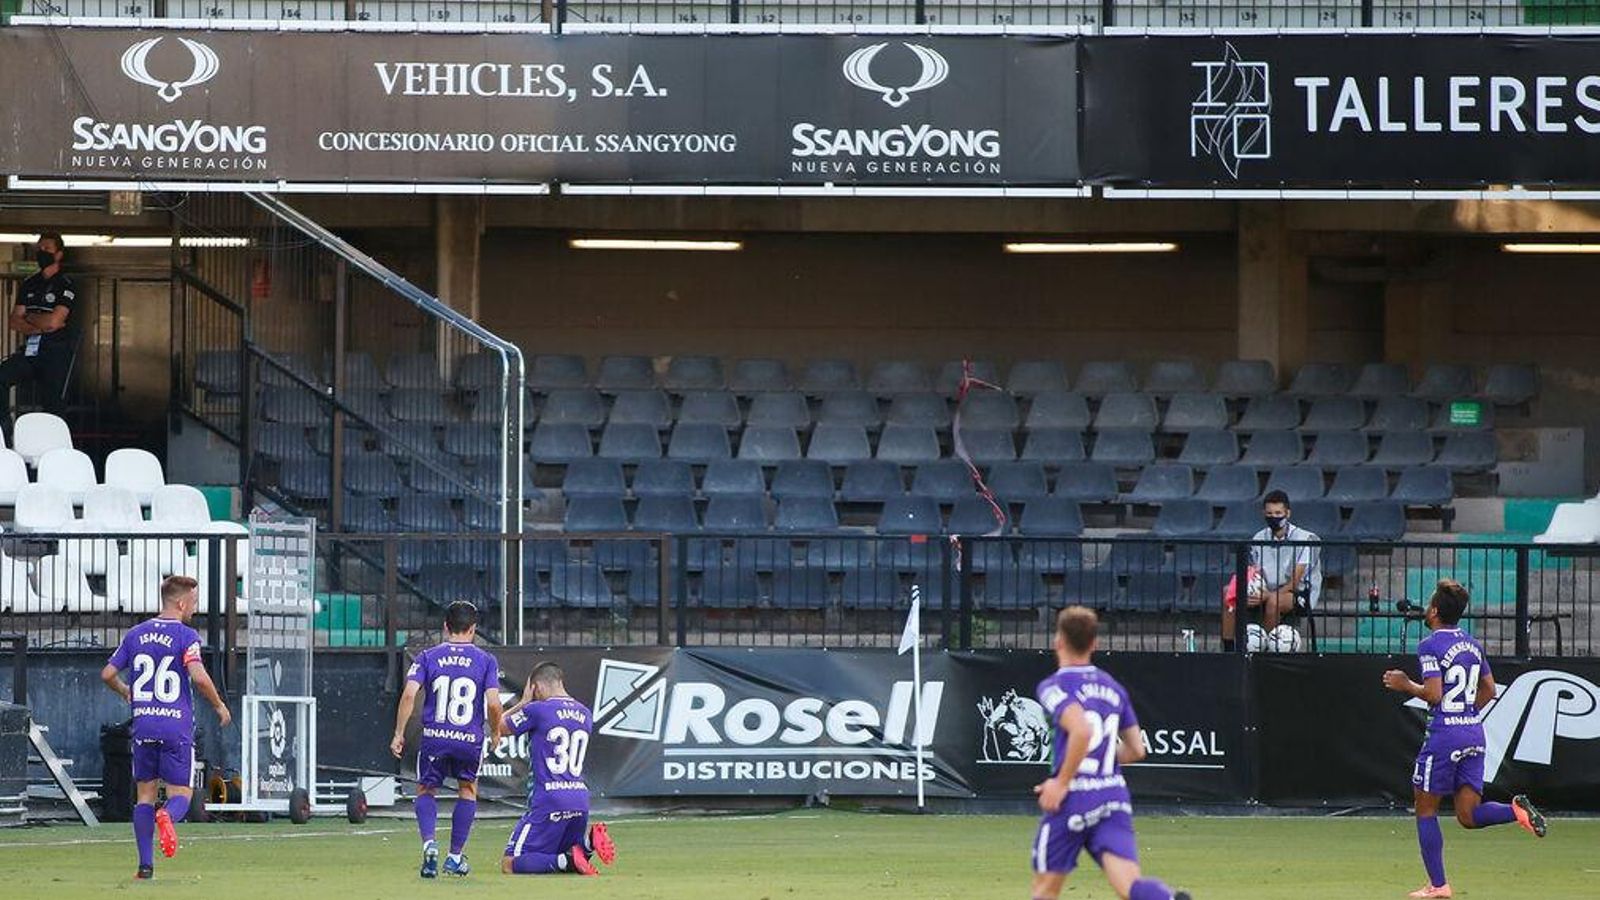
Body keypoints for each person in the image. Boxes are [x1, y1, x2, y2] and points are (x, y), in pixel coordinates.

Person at [1383, 580, 1546, 899]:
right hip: (1473, 731)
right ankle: (1515, 811)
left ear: (1433, 611)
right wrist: (1466, 712)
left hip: (1444, 736)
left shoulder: (1430, 645)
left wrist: (1406, 685)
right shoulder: (1472, 644)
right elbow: (1490, 689)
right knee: (1468, 816)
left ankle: (1438, 885)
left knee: (1425, 809)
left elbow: (1432, 693)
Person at [1032, 606, 1191, 900]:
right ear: (1095, 644)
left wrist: (1061, 781)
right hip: (1111, 796)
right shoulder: (1113, 688)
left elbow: (1081, 730)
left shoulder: (1052, 686)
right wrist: (1099, 758)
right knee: (1130, 887)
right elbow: (1136, 749)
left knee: (1045, 891)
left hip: (1073, 798)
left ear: (1058, 641)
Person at [100, 575, 232, 881]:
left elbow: (107, 673)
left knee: (144, 796)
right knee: (181, 796)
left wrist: (125, 691)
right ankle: (167, 816)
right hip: (176, 728)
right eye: (194, 603)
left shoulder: (136, 634)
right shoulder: (186, 637)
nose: (194, 609)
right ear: (182, 602)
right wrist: (219, 705)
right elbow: (198, 677)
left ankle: (145, 868)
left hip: (143, 724)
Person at [391, 601, 504, 879]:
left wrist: (399, 733)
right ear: (474, 629)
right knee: (467, 790)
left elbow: (408, 695)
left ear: (445, 627)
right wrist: (496, 731)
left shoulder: (428, 656)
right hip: (469, 739)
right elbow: (493, 703)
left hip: (435, 737)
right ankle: (454, 857)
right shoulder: (486, 660)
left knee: (426, 790)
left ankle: (430, 844)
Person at [498, 662, 617, 877]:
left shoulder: (537, 709)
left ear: (537, 688)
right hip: (579, 799)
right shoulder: (585, 713)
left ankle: (568, 859)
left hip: (549, 799)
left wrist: (523, 702)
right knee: (556, 855)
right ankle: (588, 845)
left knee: (510, 863)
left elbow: (497, 726)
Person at [1221, 490, 1320, 646]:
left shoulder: (1304, 539)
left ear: (1288, 513)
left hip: (1297, 594)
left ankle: (1266, 649)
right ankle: (1228, 649)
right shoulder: (1259, 538)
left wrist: (1267, 595)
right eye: (1269, 513)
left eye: (1278, 513)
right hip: (1265, 588)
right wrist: (1252, 589)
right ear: (1264, 514)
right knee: (1229, 592)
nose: (1274, 517)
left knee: (1274, 601)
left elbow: (1294, 583)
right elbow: (1254, 571)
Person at [1, 233, 77, 423]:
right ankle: (5, 432)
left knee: (53, 403)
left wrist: (29, 317)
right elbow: (13, 321)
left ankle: (55, 446)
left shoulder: (65, 284)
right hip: (30, 350)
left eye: (47, 249)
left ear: (58, 254)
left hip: (55, 352)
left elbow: (54, 322)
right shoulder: (29, 283)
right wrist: (39, 324)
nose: (41, 252)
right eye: (39, 249)